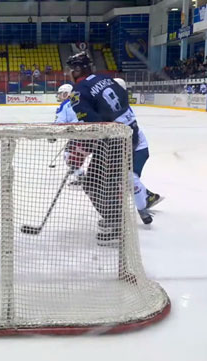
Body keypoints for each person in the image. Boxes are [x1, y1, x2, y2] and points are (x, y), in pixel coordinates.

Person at [63, 52, 162, 247]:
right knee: (106, 180)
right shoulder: (108, 79)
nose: (68, 74)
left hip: (112, 140)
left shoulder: (78, 91)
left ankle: (116, 224)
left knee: (95, 183)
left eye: (70, 70)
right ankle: (117, 219)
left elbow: (94, 126)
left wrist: (81, 150)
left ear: (76, 70)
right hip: (131, 134)